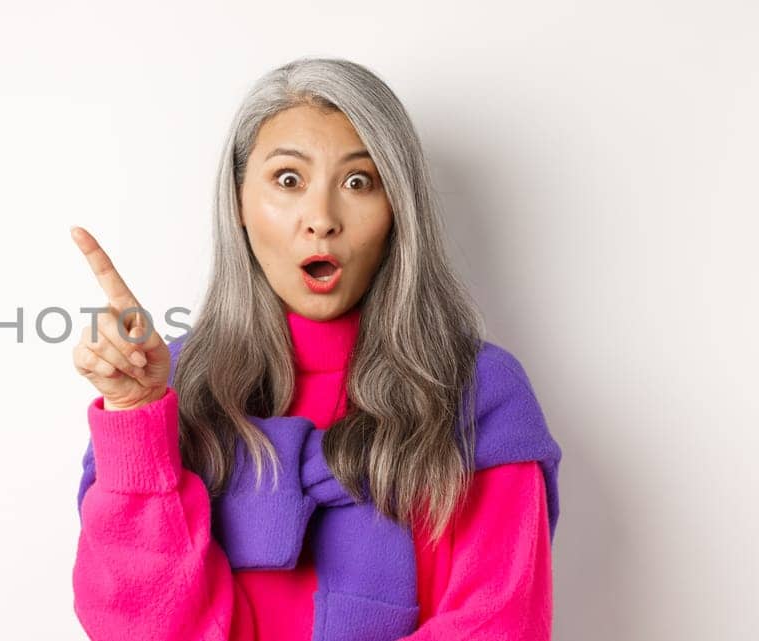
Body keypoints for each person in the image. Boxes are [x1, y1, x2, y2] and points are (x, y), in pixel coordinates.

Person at [68, 57, 558, 640]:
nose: (321, 219)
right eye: (288, 180)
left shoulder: (478, 392)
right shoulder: (170, 386)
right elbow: (139, 627)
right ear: (240, 204)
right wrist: (134, 418)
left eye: (358, 182)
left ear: (398, 210)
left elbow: (500, 624)